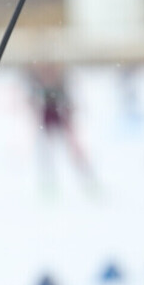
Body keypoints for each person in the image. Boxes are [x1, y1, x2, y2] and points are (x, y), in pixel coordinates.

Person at [25, 60, 94, 194]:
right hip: (46, 120)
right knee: (46, 154)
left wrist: (70, 111)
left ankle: (89, 182)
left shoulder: (60, 83)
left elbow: (68, 102)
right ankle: (48, 186)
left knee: (75, 152)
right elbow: (33, 100)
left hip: (61, 118)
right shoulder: (38, 83)